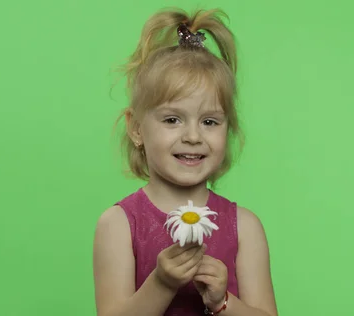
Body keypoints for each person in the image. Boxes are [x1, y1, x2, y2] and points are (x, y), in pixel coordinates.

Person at [93, 7, 278, 316]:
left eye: (209, 122)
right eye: (172, 119)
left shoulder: (245, 227)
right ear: (136, 128)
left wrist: (223, 303)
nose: (193, 136)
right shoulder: (118, 225)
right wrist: (162, 283)